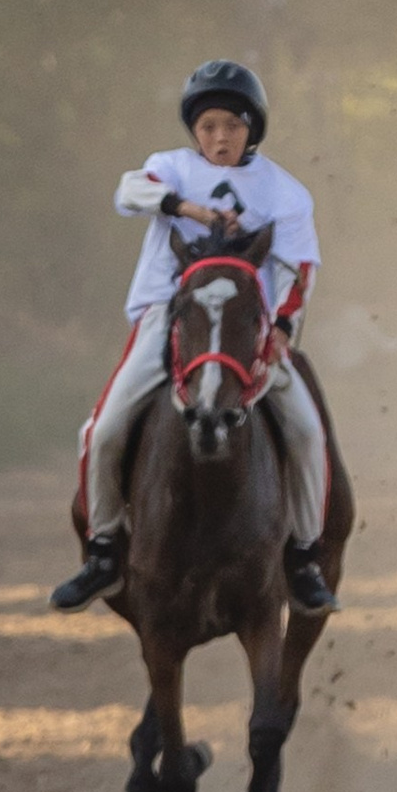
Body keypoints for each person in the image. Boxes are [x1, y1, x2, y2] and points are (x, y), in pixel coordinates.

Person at [48, 61, 340, 618]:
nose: (219, 138)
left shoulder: (287, 193)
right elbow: (129, 193)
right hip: (167, 315)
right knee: (103, 429)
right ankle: (105, 550)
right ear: (194, 132)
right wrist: (184, 207)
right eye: (207, 127)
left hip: (250, 329)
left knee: (306, 433)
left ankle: (303, 558)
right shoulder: (170, 168)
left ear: (252, 127)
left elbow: (300, 270)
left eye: (231, 125)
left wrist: (280, 331)